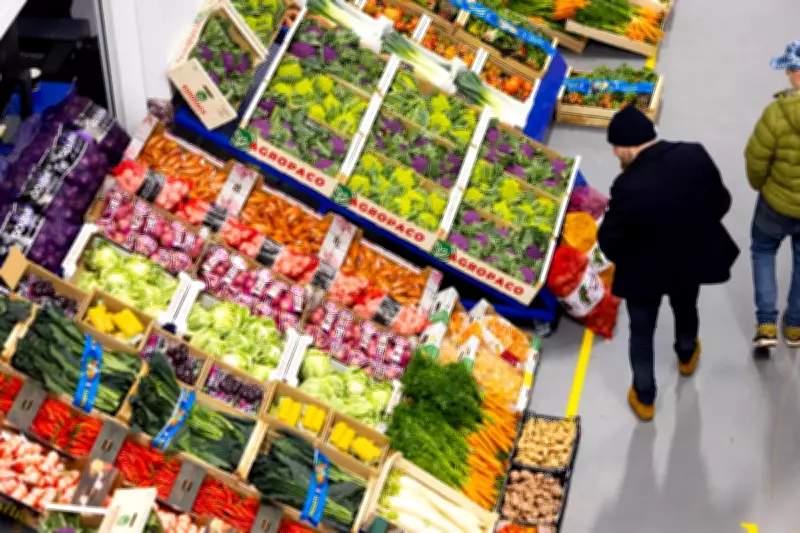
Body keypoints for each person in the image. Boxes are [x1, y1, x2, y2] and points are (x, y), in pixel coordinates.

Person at [598, 106, 739, 421]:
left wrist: (628, 254)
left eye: (617, 146)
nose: (614, 152)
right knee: (686, 308)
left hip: (642, 274)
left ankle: (645, 397)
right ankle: (687, 354)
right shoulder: (695, 155)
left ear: (632, 145)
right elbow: (722, 201)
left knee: (642, 332)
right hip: (688, 262)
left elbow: (610, 241)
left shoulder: (627, 186)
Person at [745, 40, 800, 350]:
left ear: (794, 73)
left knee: (763, 252)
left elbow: (756, 159)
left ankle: (766, 325)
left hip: (775, 204)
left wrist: (761, 186)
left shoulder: (776, 113)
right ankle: (794, 327)